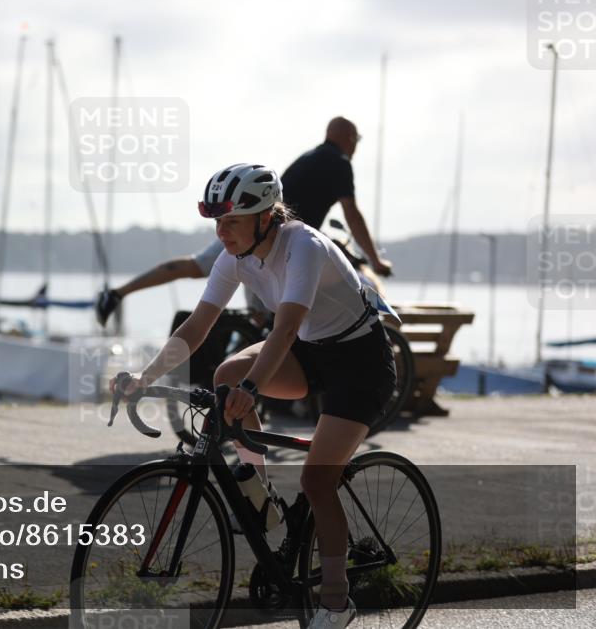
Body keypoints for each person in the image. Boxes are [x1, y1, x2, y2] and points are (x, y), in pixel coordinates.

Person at [110, 163, 397, 628]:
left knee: (317, 481)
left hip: (359, 363)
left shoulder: (303, 246)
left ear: (265, 216)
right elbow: (197, 326)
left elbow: (284, 328)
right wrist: (144, 377)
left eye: (230, 222)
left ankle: (337, 602)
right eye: (217, 223)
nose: (221, 233)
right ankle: (263, 504)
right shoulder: (235, 256)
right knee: (226, 373)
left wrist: (252, 388)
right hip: (309, 349)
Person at [282, 117, 393, 278]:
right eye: (357, 139)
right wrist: (375, 260)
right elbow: (352, 214)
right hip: (293, 248)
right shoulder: (339, 162)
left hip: (273, 244)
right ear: (350, 138)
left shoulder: (307, 158)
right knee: (350, 285)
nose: (356, 146)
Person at [95, 240, 268, 328]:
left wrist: (119, 293)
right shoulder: (238, 236)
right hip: (263, 324)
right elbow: (190, 267)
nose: (223, 229)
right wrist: (119, 293)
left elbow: (189, 267)